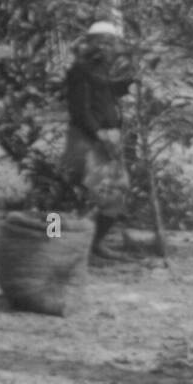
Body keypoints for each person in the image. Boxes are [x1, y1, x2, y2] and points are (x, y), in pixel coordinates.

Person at [63, 20, 135, 262]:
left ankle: (94, 244)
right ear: (90, 43)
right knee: (96, 193)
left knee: (116, 192)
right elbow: (80, 111)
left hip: (107, 138)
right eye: (100, 41)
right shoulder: (80, 70)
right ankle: (78, 248)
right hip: (90, 139)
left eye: (110, 41)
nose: (105, 46)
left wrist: (129, 84)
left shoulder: (106, 69)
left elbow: (108, 92)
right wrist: (100, 135)